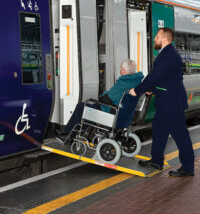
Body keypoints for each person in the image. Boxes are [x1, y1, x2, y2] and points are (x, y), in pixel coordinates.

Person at [129, 27, 195, 177]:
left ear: (165, 38)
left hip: (171, 103)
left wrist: (137, 90)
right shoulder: (167, 53)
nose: (155, 39)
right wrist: (152, 88)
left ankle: (188, 167)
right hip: (166, 101)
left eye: (157, 36)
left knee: (180, 135)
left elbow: (155, 75)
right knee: (159, 131)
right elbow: (164, 78)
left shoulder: (168, 55)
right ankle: (157, 160)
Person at [56, 59, 144, 143]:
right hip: (124, 117)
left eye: (121, 69)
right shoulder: (137, 82)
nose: (120, 71)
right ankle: (78, 134)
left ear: (124, 71)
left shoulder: (123, 83)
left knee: (81, 106)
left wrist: (100, 96)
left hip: (111, 113)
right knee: (90, 109)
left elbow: (106, 98)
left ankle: (68, 135)